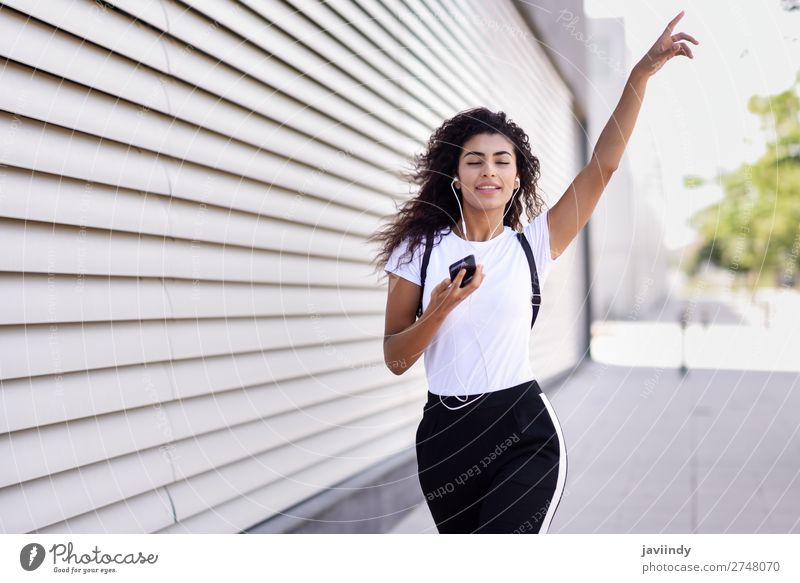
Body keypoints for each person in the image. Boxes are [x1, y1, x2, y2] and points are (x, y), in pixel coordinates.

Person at [370, 12, 698, 533]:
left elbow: (603, 167)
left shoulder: (533, 244)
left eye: (502, 161)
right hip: (444, 440)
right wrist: (439, 310)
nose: (489, 172)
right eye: (474, 161)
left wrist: (638, 75)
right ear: (455, 175)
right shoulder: (418, 251)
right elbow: (395, 357)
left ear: (516, 176)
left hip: (522, 430)